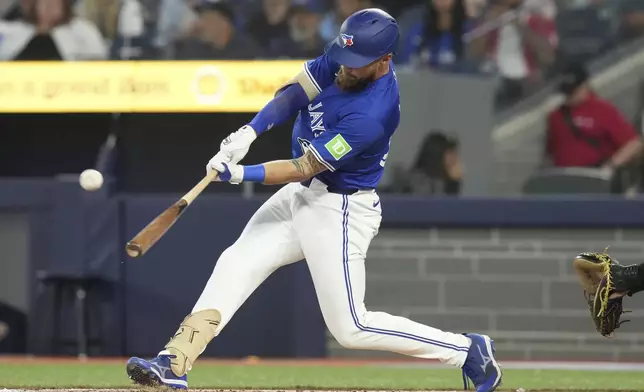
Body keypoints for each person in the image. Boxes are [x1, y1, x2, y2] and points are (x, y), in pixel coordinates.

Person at [125, 8, 502, 392]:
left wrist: (240, 173)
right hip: (301, 197)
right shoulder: (344, 58)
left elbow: (304, 166)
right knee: (236, 261)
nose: (345, 69)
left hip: (339, 209)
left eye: (357, 64)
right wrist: (249, 131)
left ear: (385, 61)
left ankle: (468, 351)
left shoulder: (373, 113)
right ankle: (175, 361)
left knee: (351, 328)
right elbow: (293, 94)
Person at [544, 62, 643, 191]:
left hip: (594, 177)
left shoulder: (603, 110)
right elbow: (550, 151)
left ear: (585, 85)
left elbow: (633, 143)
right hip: (565, 180)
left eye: (573, 91)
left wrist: (610, 166)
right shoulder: (555, 116)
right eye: (566, 92)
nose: (569, 96)